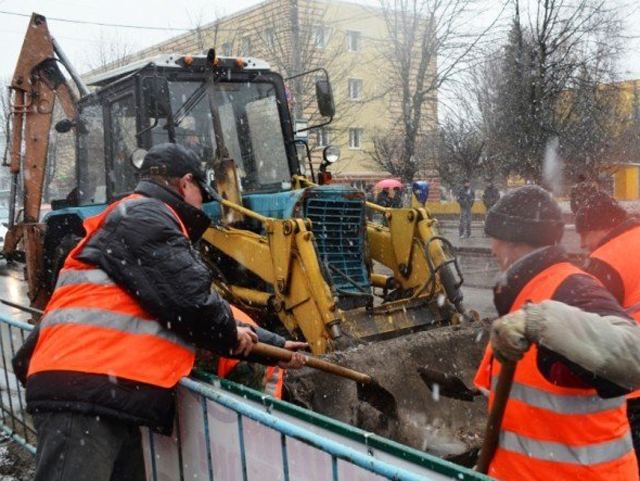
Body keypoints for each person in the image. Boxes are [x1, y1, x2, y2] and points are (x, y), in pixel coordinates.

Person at [21, 143, 307, 481]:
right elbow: (191, 303)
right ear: (186, 183)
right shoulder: (147, 216)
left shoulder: (136, 217)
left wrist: (273, 345)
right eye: (203, 192)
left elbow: (190, 303)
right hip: (83, 391)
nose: (203, 203)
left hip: (100, 391)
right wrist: (231, 336)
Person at [474, 185, 640, 481]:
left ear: (514, 242)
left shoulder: (572, 289)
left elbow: (633, 356)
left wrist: (544, 321)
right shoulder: (527, 288)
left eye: (496, 240)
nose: (492, 249)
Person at [575, 190, 640, 463]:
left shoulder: (604, 261)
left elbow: (589, 332)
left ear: (598, 227)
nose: (582, 244)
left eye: (583, 235)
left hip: (632, 385)